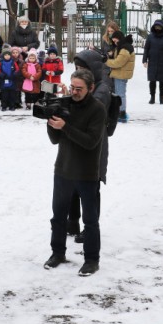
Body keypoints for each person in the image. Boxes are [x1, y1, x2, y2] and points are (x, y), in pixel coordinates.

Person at [44, 69, 107, 276]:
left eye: (79, 89)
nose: (74, 92)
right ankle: (58, 253)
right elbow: (55, 139)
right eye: (72, 87)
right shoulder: (66, 103)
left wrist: (65, 126)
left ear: (90, 88)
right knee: (58, 217)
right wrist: (51, 122)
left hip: (87, 173)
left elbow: (90, 142)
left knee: (90, 220)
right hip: (63, 169)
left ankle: (91, 260)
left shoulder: (97, 109)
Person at [106, 30, 134, 123]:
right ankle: (120, 112)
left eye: (115, 40)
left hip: (121, 74)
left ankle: (121, 113)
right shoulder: (122, 46)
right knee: (119, 93)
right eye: (113, 41)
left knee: (120, 94)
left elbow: (118, 62)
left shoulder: (125, 48)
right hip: (120, 73)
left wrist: (106, 61)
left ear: (119, 38)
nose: (115, 42)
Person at [142, 19, 163, 104]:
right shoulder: (150, 36)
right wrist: (144, 59)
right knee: (152, 80)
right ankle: (152, 97)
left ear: (162, 27)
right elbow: (146, 48)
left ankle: (161, 97)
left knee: (162, 80)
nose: (157, 28)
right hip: (152, 61)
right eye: (156, 26)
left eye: (159, 27)